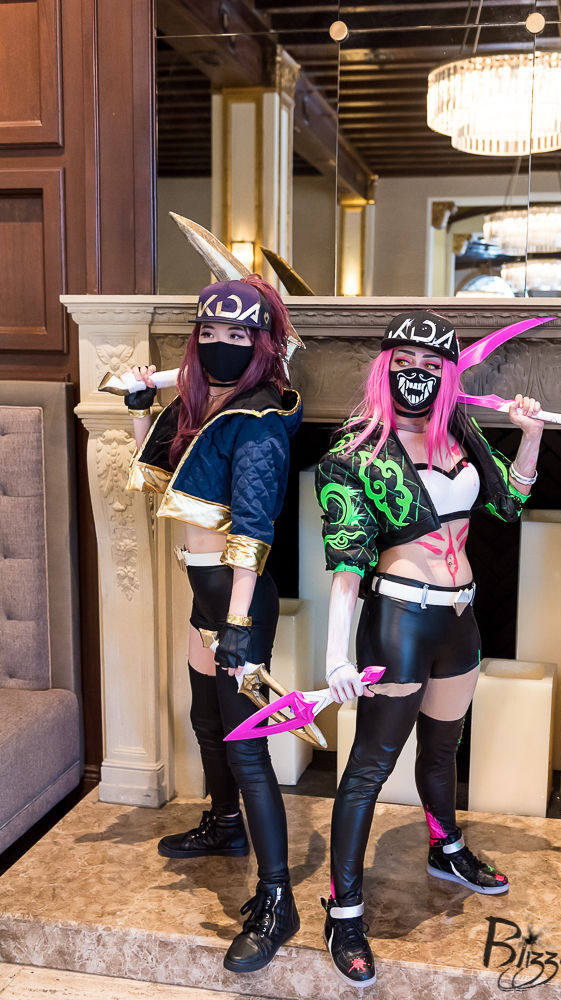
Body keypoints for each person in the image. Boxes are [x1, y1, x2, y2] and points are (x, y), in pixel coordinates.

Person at [315, 311, 544, 988]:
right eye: (404, 361)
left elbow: (509, 504)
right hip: (400, 620)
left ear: (448, 373)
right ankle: (343, 909)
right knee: (369, 768)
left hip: (460, 621)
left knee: (443, 750)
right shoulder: (356, 452)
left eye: (430, 363)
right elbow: (347, 563)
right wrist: (336, 658)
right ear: (386, 367)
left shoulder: (461, 434)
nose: (416, 373)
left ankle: (445, 847)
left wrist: (530, 437)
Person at [124, 276, 302, 974]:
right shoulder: (200, 405)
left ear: (261, 344)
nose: (220, 344)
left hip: (238, 604)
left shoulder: (258, 419)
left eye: (237, 334)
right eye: (210, 332)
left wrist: (235, 625)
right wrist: (141, 409)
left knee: (248, 748)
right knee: (206, 721)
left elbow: (254, 533)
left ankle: (278, 899)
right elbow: (156, 482)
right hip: (206, 600)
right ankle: (224, 825)